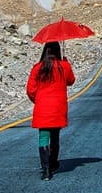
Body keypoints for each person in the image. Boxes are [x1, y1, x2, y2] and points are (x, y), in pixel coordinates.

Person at [26, 40, 75, 180]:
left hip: (42, 107)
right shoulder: (63, 66)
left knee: (43, 137)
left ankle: (46, 169)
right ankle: (53, 163)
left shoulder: (37, 68)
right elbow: (71, 81)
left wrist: (38, 100)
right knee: (55, 136)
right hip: (58, 107)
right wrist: (66, 62)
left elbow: (30, 90)